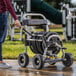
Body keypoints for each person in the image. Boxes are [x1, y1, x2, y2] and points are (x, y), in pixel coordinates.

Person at [0, 0, 21, 68]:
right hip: (1, 14)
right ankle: (0, 61)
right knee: (0, 38)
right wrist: (16, 19)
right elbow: (8, 5)